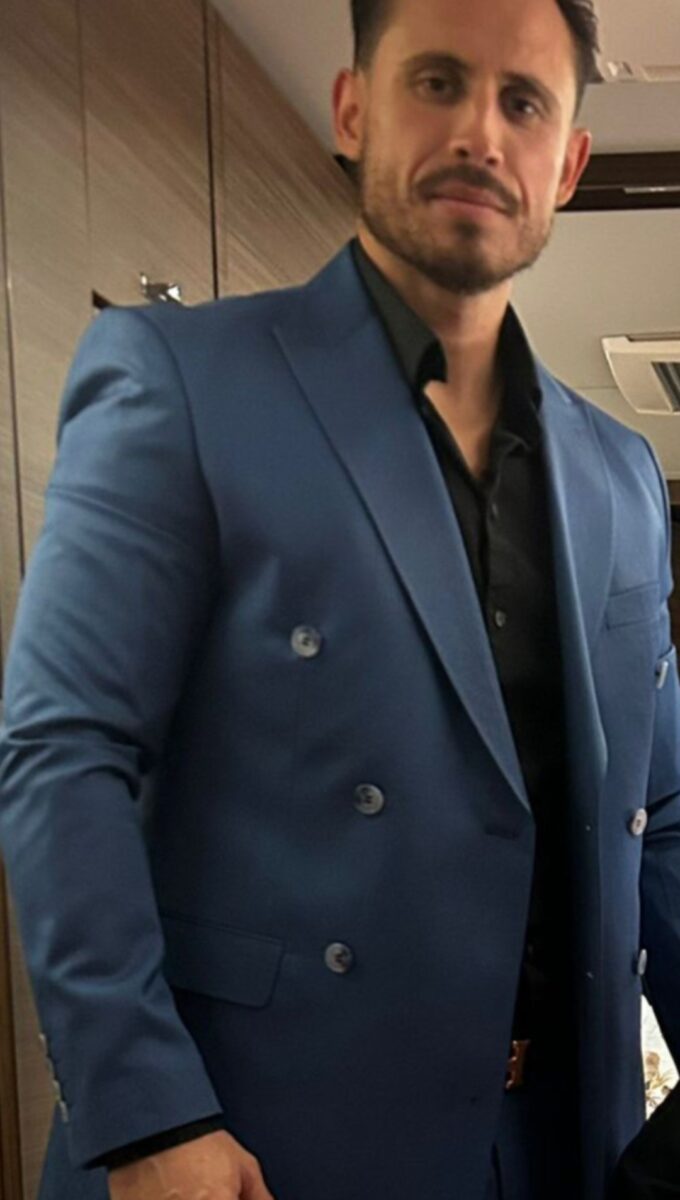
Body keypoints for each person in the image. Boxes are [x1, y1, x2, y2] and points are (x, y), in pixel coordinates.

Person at [0, 0, 679, 1196]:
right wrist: (147, 1116)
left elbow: (659, 811)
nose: (479, 132)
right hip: (259, 1141)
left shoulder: (621, 472)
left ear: (568, 163)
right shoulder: (182, 382)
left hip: (559, 1146)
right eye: (436, 82)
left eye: (522, 101)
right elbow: (66, 752)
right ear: (354, 109)